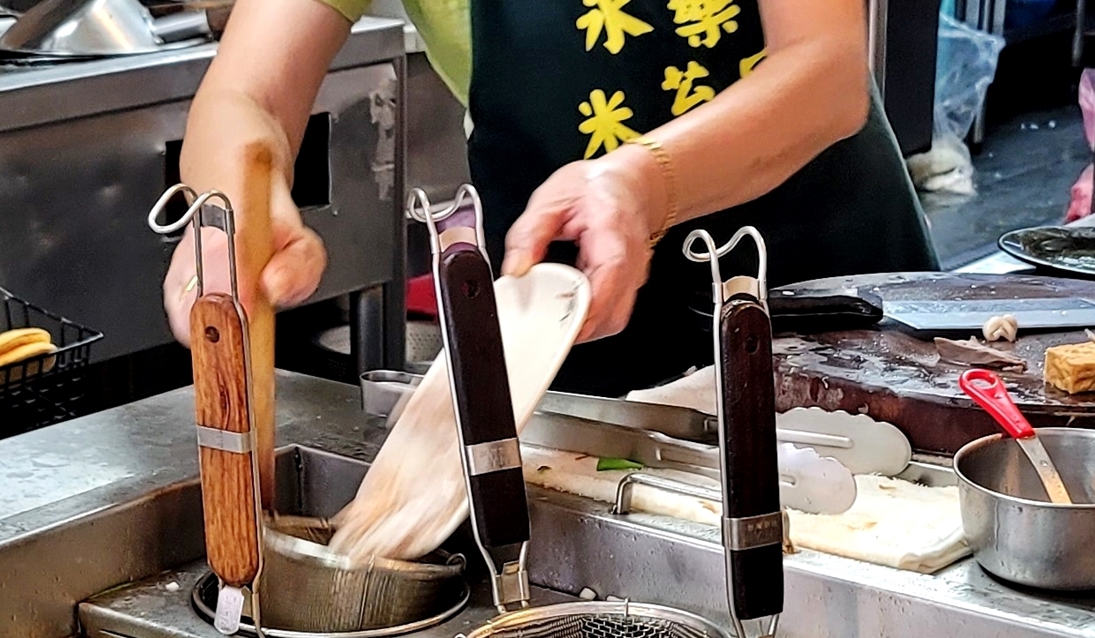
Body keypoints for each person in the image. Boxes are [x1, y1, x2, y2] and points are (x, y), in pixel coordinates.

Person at [165, 0, 938, 396]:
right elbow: (247, 92)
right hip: (575, 325)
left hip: (825, 311)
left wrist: (645, 181)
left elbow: (828, 71)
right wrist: (224, 212)